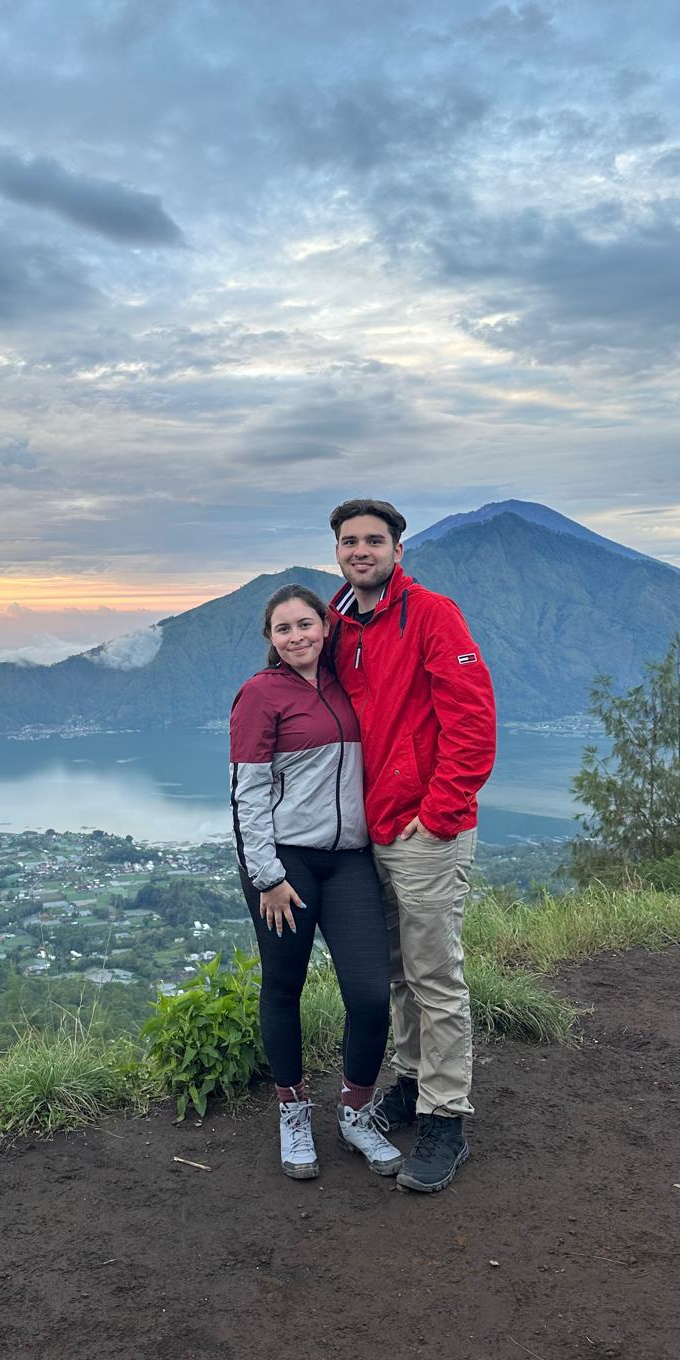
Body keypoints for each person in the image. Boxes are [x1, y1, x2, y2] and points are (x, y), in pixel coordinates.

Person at [327, 499, 496, 1195]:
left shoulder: (430, 614)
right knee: (396, 972)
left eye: (373, 540)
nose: (360, 551)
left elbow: (472, 717)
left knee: (434, 975)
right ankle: (413, 1083)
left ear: (399, 547)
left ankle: (447, 1118)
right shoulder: (337, 621)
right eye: (349, 542)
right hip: (369, 831)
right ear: (337, 551)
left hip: (424, 830)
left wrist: (441, 814)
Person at [230, 582, 399, 1181]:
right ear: (271, 640)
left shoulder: (347, 685)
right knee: (284, 986)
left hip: (349, 857)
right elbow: (246, 792)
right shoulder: (260, 694)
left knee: (371, 993)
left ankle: (356, 1111)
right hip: (286, 865)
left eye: (307, 624)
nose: (297, 636)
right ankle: (293, 1109)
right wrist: (267, 875)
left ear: (327, 628)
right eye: (284, 629)